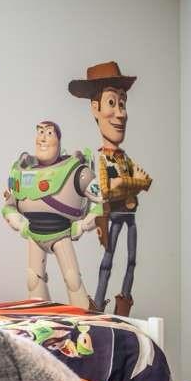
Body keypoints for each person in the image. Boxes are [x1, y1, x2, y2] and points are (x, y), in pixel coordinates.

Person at [68, 61, 151, 316]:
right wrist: (130, 183)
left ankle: (124, 301)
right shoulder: (103, 158)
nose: (121, 114)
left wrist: (125, 184)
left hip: (129, 216)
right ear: (96, 108)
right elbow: (106, 189)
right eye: (112, 102)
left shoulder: (124, 158)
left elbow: (146, 181)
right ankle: (99, 303)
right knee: (109, 259)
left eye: (122, 104)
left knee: (131, 260)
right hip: (114, 216)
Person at [2, 121, 100, 309]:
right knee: (33, 281)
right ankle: (41, 318)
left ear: (59, 140)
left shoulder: (77, 171)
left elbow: (103, 203)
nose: (43, 138)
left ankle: (82, 320)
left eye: (49, 133)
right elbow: (8, 206)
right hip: (34, 234)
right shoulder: (22, 172)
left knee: (73, 281)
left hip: (62, 233)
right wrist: (20, 224)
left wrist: (83, 225)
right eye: (40, 132)